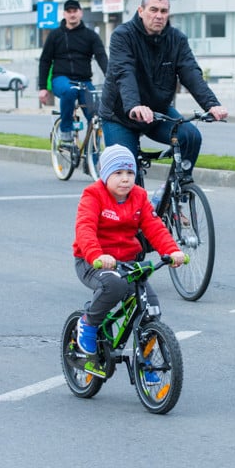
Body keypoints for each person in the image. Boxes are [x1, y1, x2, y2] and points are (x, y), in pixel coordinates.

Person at [72, 144, 185, 376]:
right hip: (92, 262)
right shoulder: (93, 195)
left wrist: (172, 251)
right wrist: (97, 255)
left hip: (127, 263)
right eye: (118, 173)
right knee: (114, 285)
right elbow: (85, 229)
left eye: (130, 173)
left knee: (151, 306)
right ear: (105, 175)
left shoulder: (139, 197)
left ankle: (146, 362)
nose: (125, 179)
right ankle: (88, 324)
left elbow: (155, 227)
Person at [99, 0, 227, 180]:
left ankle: (176, 194)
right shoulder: (123, 36)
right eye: (153, 10)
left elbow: (190, 72)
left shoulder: (177, 39)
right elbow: (124, 73)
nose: (159, 16)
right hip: (120, 115)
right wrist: (134, 106)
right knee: (124, 173)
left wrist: (211, 104)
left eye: (164, 11)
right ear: (141, 11)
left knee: (191, 137)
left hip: (156, 113)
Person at [38, 0, 108, 142]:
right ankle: (66, 130)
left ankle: (92, 160)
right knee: (69, 91)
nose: (72, 15)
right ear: (64, 14)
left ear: (80, 13)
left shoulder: (91, 36)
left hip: (84, 81)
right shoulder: (55, 35)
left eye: (75, 11)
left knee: (96, 117)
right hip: (61, 79)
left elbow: (101, 57)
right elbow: (45, 61)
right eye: (68, 12)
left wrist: (111, 77)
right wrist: (43, 87)